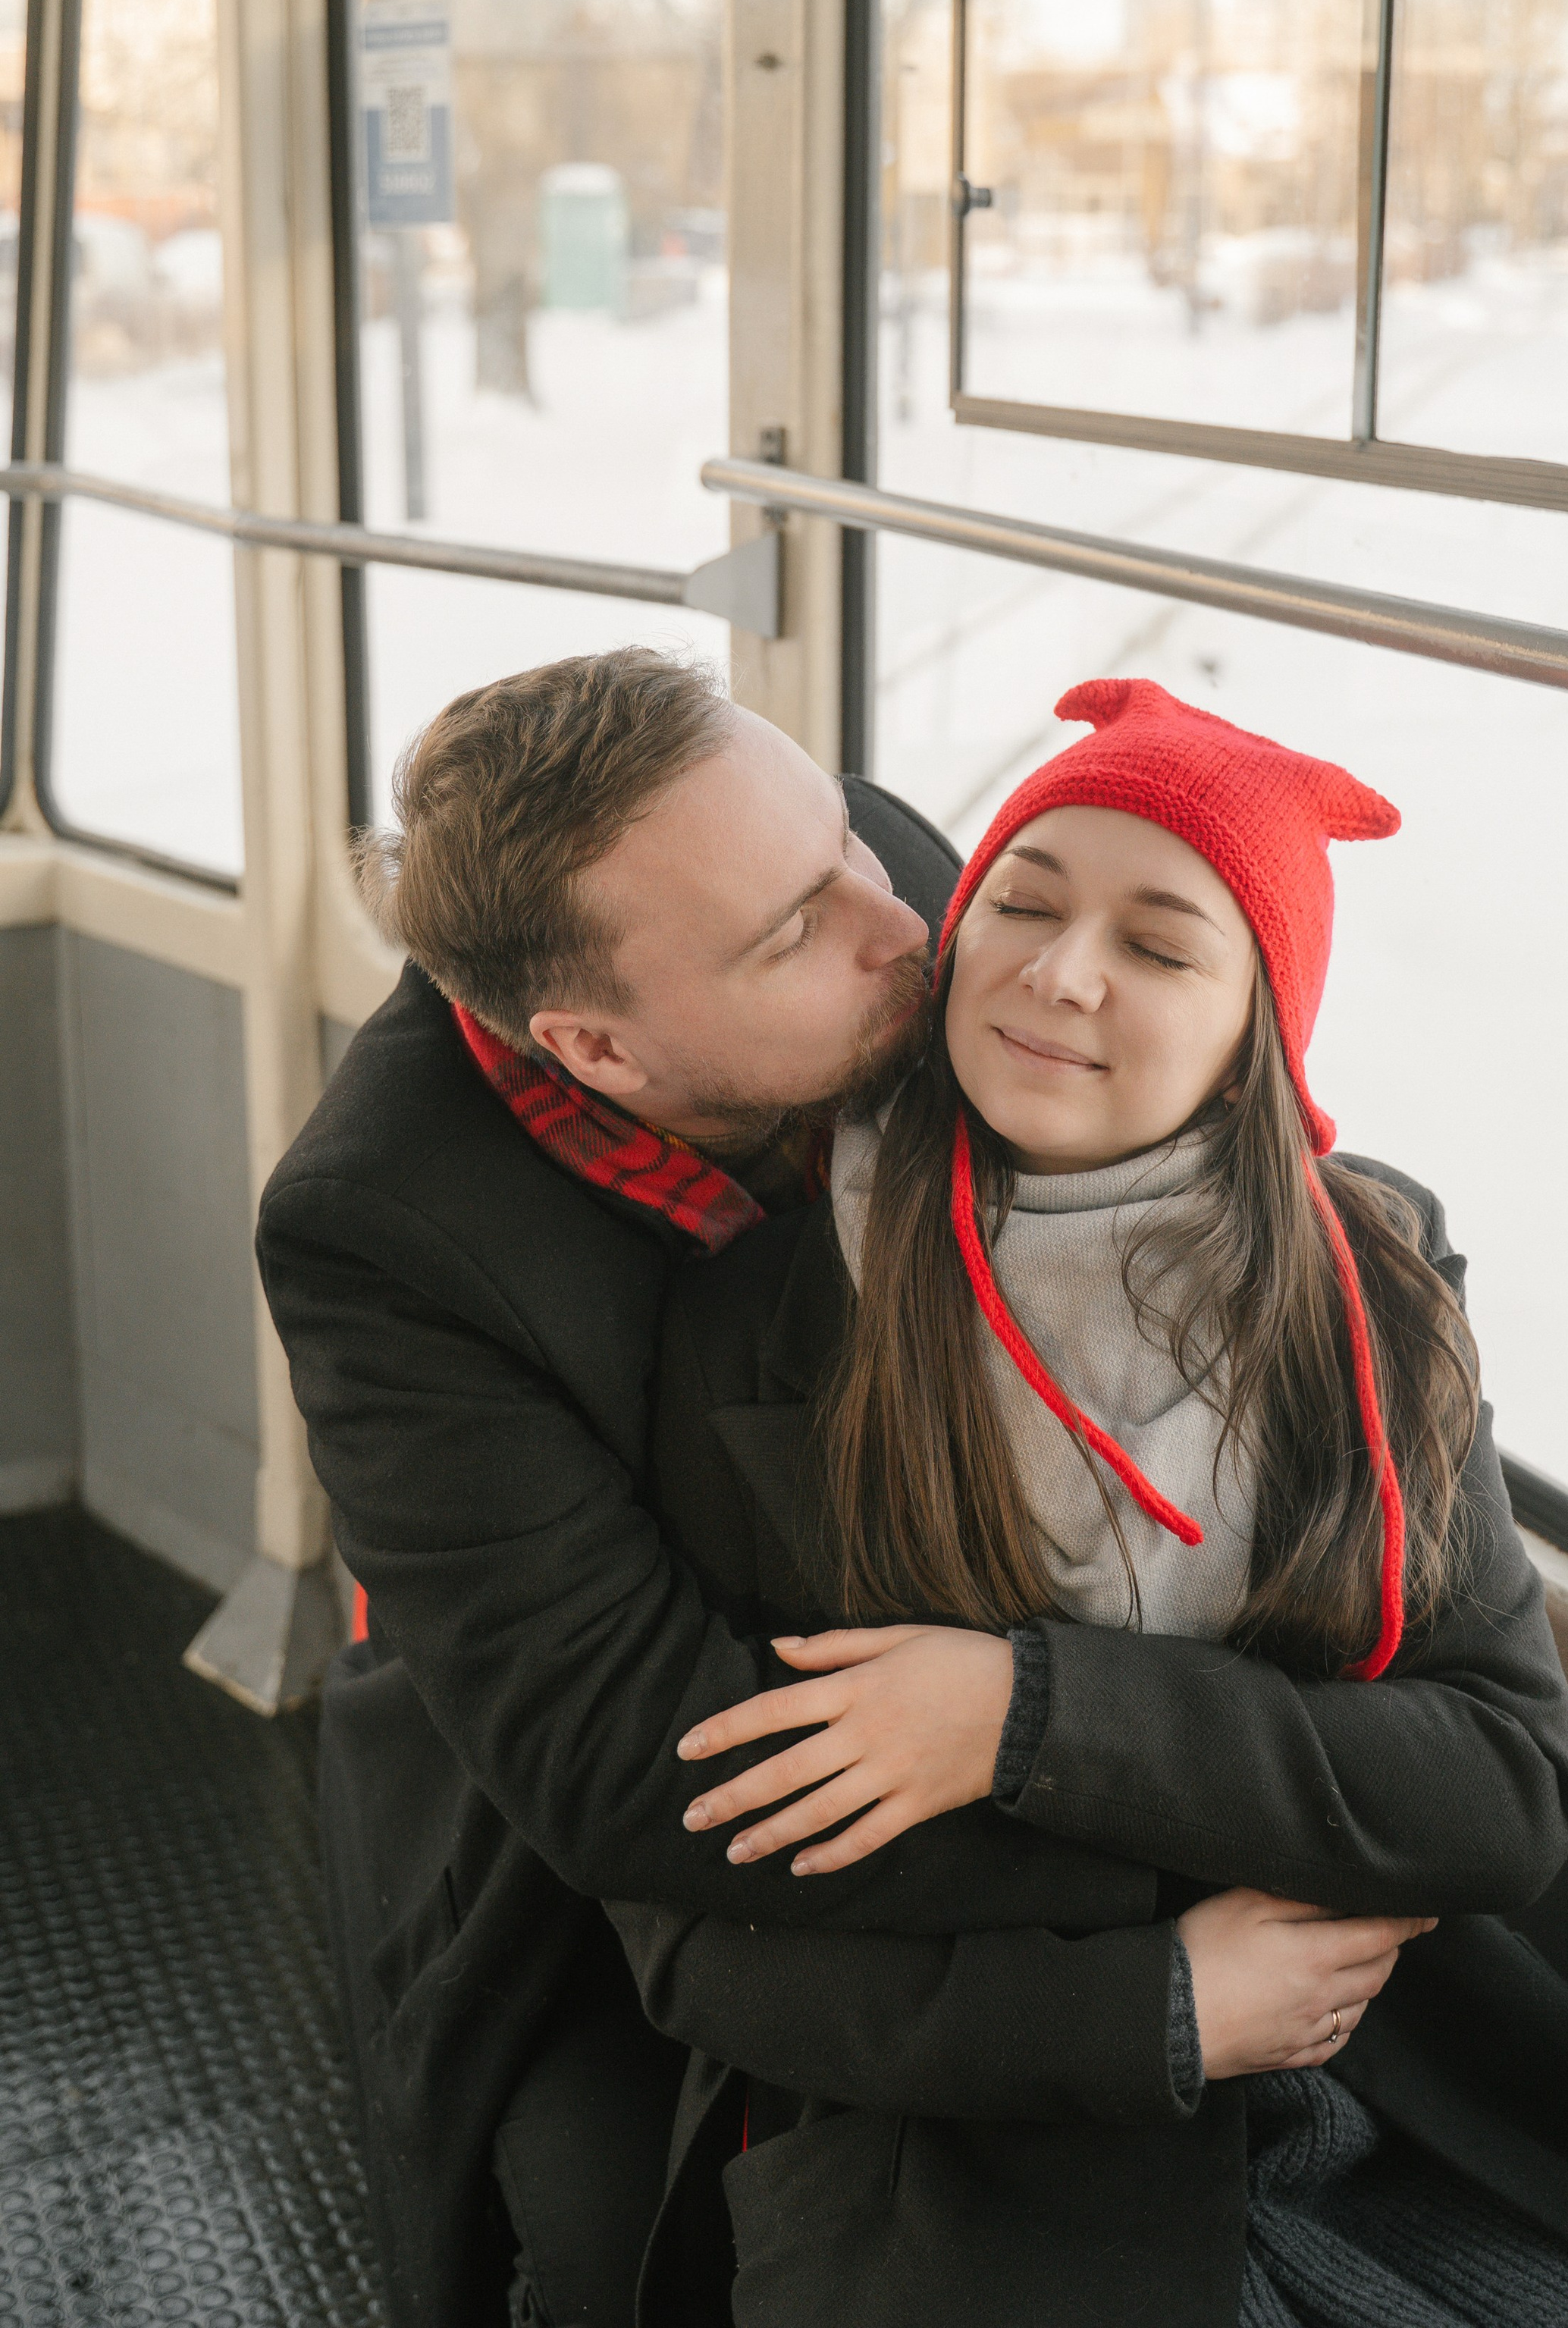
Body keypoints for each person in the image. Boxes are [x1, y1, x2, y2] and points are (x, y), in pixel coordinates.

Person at [613, 681, 1568, 2328]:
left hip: (1373, 2083)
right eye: (1023, 906)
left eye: (1160, 944)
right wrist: (1161, 2009)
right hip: (987, 2140)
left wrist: (1024, 1716)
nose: (1061, 972)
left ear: (1255, 1027)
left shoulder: (1359, 1301)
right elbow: (703, 1935)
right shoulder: (767, 1330)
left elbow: (1494, 1784)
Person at [262, 648, 1170, 2328]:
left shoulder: (867, 875)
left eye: (840, 840)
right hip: (618, 1813)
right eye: (787, 934)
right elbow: (634, 1758)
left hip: (974, 1660)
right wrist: (1153, 1955)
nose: (905, 923)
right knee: (632, 2256)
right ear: (594, 1046)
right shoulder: (382, 1227)